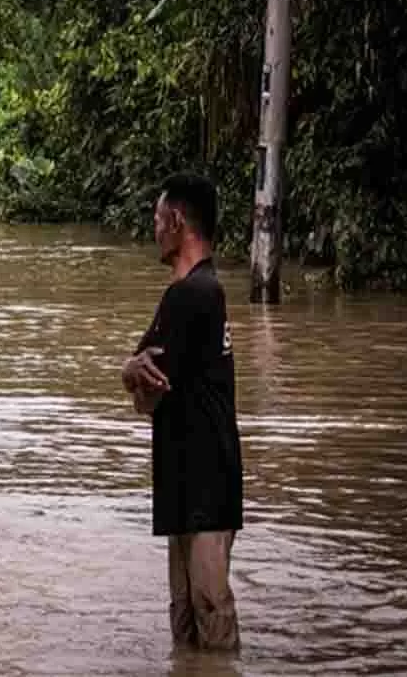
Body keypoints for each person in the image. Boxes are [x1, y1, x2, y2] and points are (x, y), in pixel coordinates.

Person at [121, 173, 243, 652]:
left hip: (203, 477)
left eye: (156, 219)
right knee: (189, 617)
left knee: (209, 608)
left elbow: (144, 391)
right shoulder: (193, 292)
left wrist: (129, 373)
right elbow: (142, 376)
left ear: (175, 222)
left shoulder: (191, 296)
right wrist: (132, 371)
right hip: (190, 475)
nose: (154, 230)